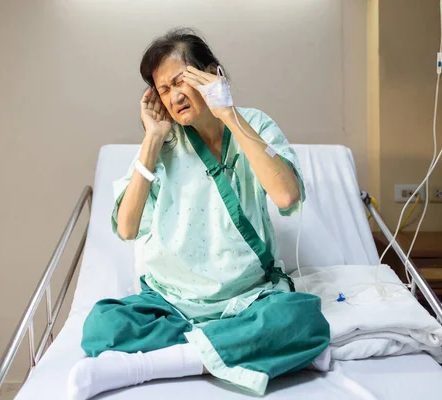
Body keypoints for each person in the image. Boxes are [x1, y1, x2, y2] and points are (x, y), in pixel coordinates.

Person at [67, 28, 330, 400]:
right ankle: (236, 350)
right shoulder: (165, 143)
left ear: (212, 74)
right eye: (162, 89)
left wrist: (229, 114)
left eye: (180, 82)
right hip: (172, 300)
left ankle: (153, 365)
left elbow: (286, 195)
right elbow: (126, 228)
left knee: (303, 320)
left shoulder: (254, 124)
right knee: (102, 326)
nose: (173, 96)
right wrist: (152, 138)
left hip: (248, 298)